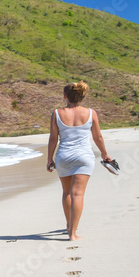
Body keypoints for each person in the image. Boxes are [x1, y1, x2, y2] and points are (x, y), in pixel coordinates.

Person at [46, 81, 113, 241]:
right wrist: (104, 154)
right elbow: (98, 137)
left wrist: (49, 159)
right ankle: (73, 234)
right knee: (78, 194)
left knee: (67, 192)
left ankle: (69, 225)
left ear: (64, 96)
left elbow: (53, 138)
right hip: (84, 157)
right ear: (82, 96)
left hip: (64, 156)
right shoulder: (91, 113)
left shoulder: (57, 113)